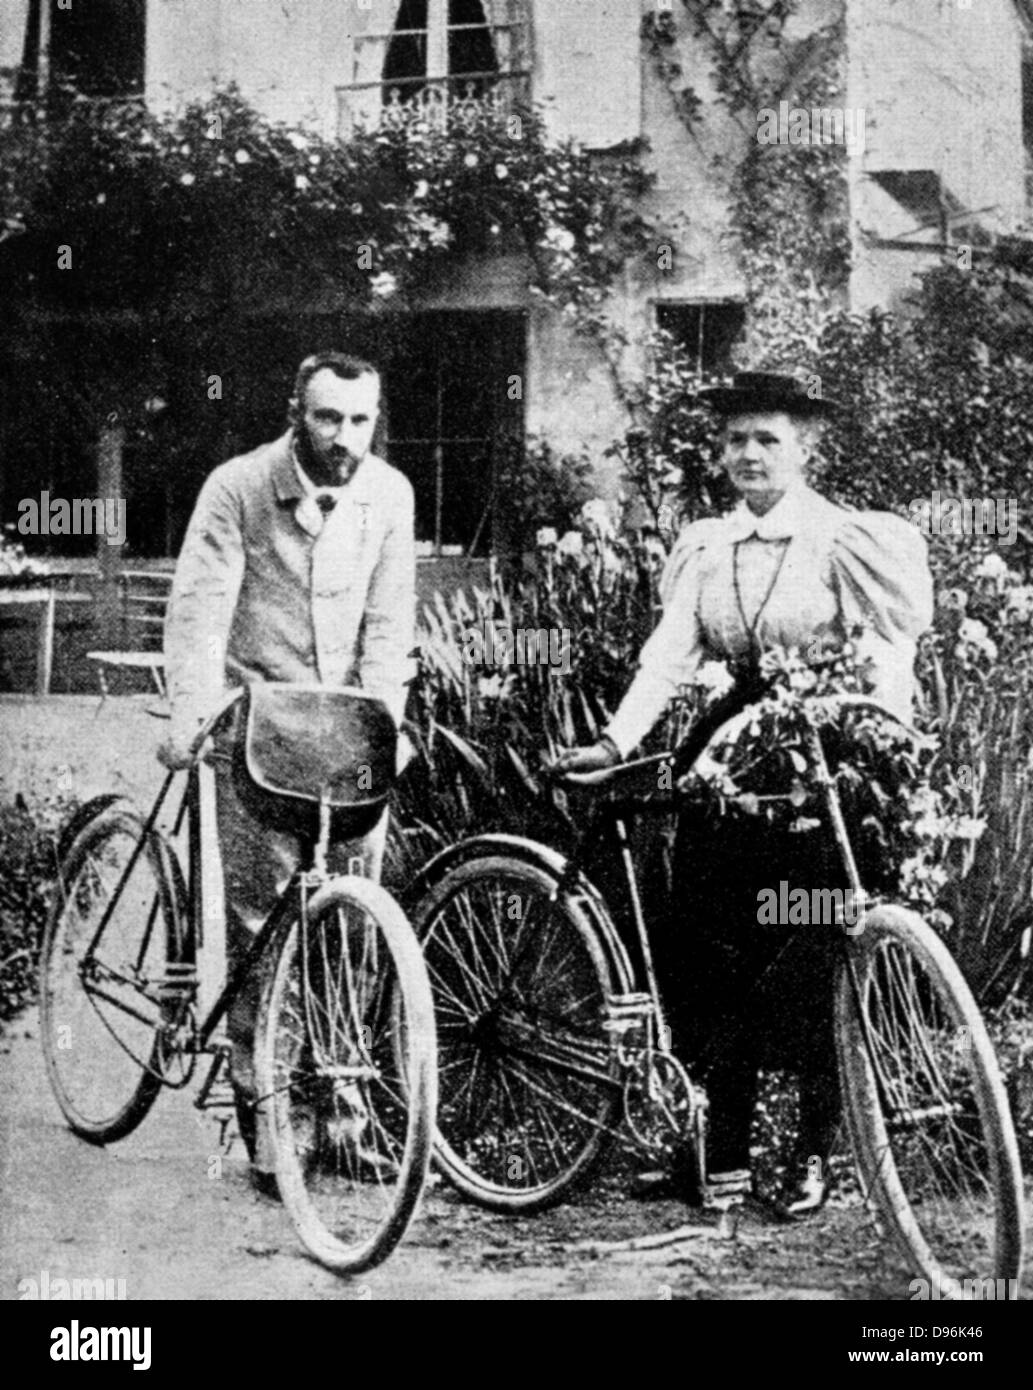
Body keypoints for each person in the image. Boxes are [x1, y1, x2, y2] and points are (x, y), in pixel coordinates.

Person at [551, 370, 933, 1217]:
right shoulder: (707, 546)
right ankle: (714, 1153)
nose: (750, 455)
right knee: (708, 952)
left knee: (804, 946)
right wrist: (616, 742)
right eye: (736, 441)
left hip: (817, 773)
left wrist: (880, 744)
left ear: (805, 448)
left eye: (768, 439)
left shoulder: (845, 541)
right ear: (718, 453)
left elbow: (888, 657)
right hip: (725, 766)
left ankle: (810, 1153)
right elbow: (668, 657)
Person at [161, 351, 416, 1190]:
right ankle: (267, 1114)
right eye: (326, 418)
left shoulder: (389, 495)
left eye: (359, 420)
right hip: (259, 732)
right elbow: (199, 613)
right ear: (294, 413)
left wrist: (386, 727)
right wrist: (196, 717)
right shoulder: (236, 489)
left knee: (350, 924)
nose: (344, 438)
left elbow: (388, 629)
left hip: (346, 739)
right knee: (264, 924)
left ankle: (343, 1115)